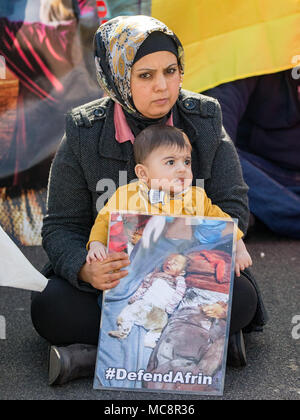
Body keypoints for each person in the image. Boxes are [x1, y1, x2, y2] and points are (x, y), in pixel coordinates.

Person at [30, 15, 268, 386]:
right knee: (50, 307)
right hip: (113, 280)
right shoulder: (84, 130)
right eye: (145, 75)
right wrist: (84, 268)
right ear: (117, 77)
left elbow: (233, 205)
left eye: (171, 71)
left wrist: (201, 249)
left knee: (241, 299)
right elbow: (61, 225)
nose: (163, 86)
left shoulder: (204, 119)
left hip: (184, 276)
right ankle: (209, 344)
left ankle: (88, 357)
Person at [86, 124, 252, 277]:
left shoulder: (196, 198)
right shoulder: (126, 195)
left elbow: (223, 224)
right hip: (136, 268)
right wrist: (96, 244)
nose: (182, 169)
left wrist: (240, 249)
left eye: (187, 161)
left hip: (177, 267)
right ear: (143, 173)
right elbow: (104, 221)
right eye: (171, 162)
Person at [203, 70, 300, 238]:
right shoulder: (254, 58)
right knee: (217, 154)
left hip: (286, 185)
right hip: (255, 171)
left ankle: (255, 212)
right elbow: (216, 130)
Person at [108, 253, 188, 349]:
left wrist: (170, 307)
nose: (169, 262)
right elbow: (144, 285)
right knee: (129, 310)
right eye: (168, 259)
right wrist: (135, 297)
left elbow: (179, 294)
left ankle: (149, 340)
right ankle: (123, 331)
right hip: (145, 303)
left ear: (182, 272)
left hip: (160, 310)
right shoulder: (155, 274)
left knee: (162, 323)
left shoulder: (179, 280)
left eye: (175, 263)